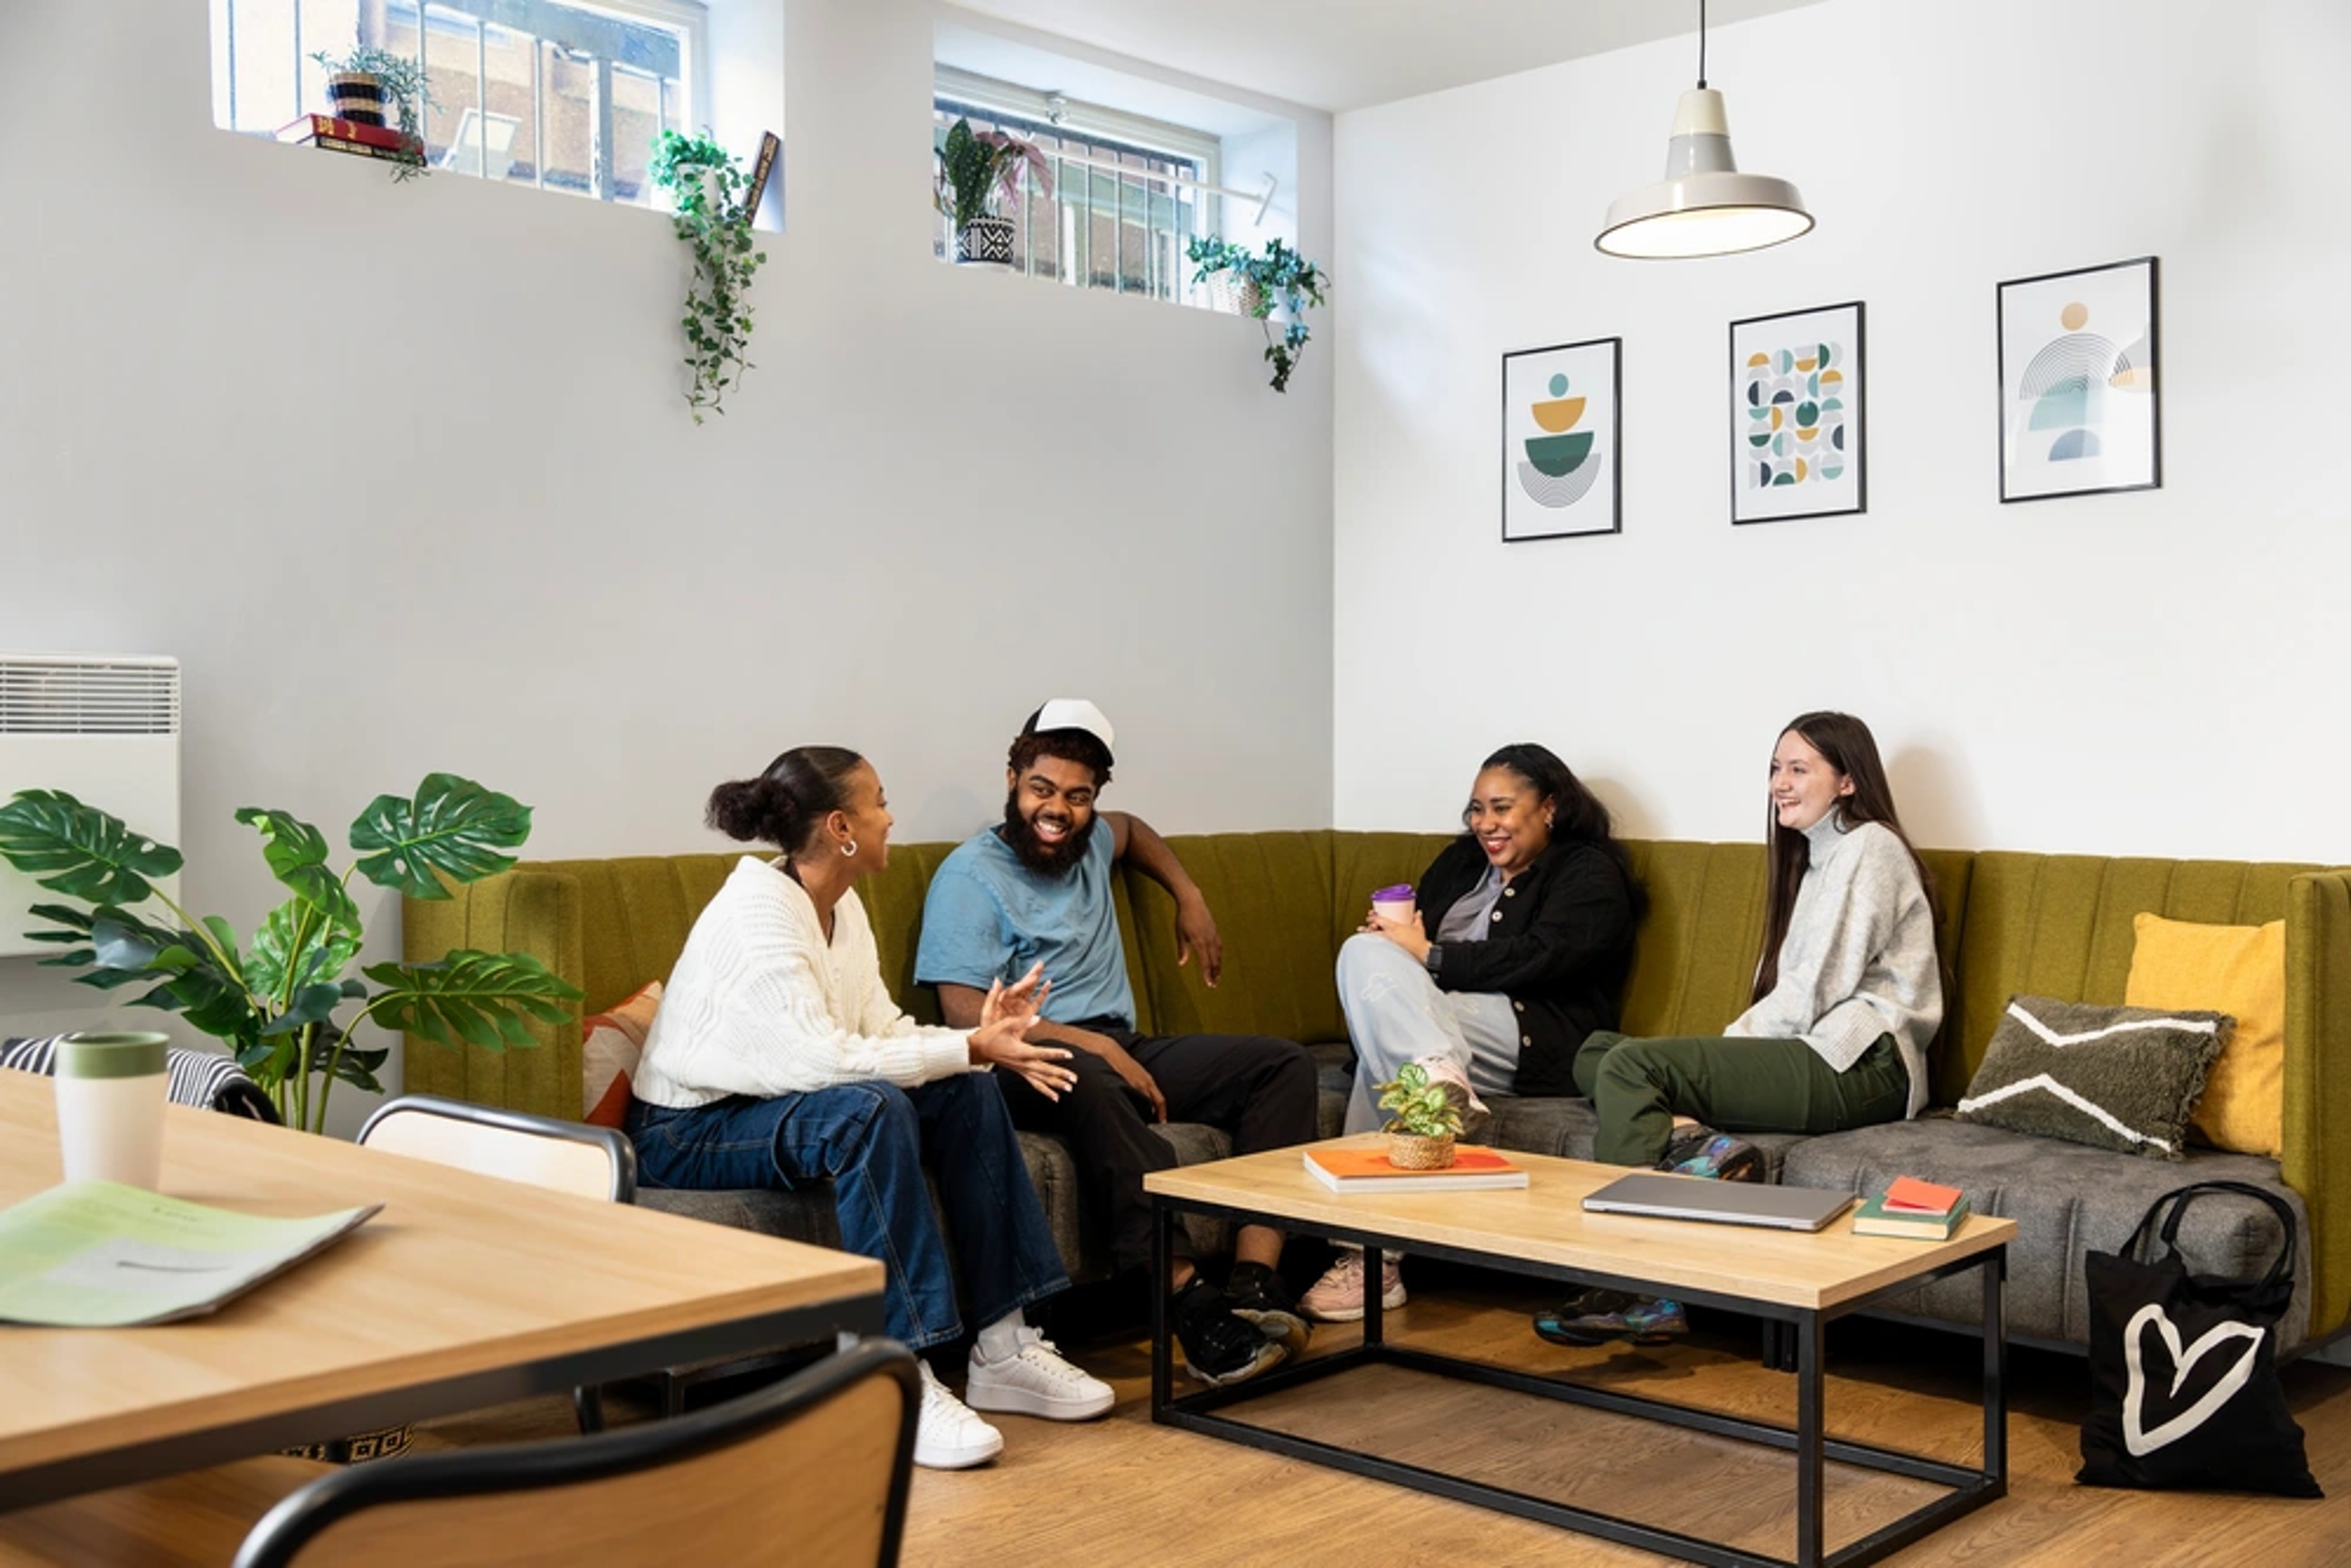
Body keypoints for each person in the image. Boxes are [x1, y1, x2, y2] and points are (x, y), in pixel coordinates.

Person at [628, 745, 1115, 1472]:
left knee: (968, 1088)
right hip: (688, 1128)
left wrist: (975, 1044)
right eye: (879, 800)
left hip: (772, 1105)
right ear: (840, 826)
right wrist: (968, 1045)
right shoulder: (758, 918)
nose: (892, 815)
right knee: (868, 1109)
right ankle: (895, 1374)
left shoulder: (841, 904)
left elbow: (879, 1028)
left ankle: (1004, 1345)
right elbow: (821, 1062)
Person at [915, 700, 1320, 1387]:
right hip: (1022, 1056)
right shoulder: (969, 876)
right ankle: (1190, 1300)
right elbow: (962, 1016)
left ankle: (1253, 1283)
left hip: (1117, 1043)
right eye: (1041, 788)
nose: (1056, 810)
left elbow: (1133, 833)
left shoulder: (1097, 838)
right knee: (1094, 1079)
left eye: (1077, 797)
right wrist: (1093, 1047)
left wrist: (1187, 893)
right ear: (1012, 777)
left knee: (1281, 1064)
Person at [1534, 711, 1943, 1346]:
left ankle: (1643, 1284)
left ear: (1847, 781)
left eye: (1799, 768)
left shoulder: (1870, 847)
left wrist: (1720, 1058)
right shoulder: (1816, 859)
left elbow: (1812, 992)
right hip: (1816, 1049)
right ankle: (1703, 1145)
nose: (1780, 782)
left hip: (1862, 1061)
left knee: (1629, 1066)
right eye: (1776, 768)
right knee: (1597, 1050)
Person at [1300, 743, 1643, 1324]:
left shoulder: (1588, 872)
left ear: (1550, 807)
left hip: (1533, 1035)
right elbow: (1410, 951)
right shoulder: (1461, 863)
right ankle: (1437, 1075)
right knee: (1362, 951)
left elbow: (1541, 960)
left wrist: (1428, 954)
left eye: (1502, 807)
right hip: (1449, 1025)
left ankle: (1368, 1259)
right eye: (1477, 809)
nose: (1486, 823)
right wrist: (1394, 943)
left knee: (1395, 1055)